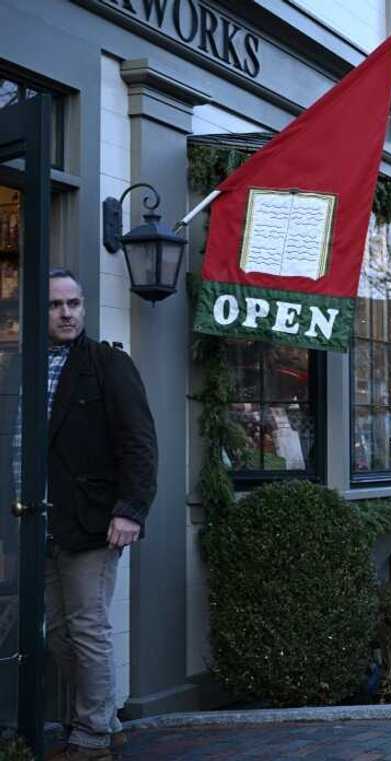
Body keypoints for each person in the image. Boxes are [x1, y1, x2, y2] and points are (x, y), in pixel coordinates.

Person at [38, 270, 157, 760]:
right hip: (35, 518)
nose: (67, 313)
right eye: (54, 305)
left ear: (84, 308)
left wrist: (131, 509)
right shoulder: (20, 364)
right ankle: (104, 719)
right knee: (58, 632)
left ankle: (90, 739)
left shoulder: (107, 363)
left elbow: (139, 441)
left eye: (74, 303)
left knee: (87, 628)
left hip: (93, 521)